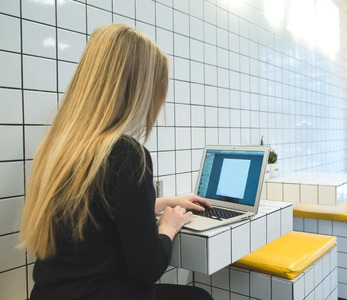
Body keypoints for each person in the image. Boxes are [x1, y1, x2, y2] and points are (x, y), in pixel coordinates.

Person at [19, 24, 213, 300]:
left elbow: (92, 216)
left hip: (49, 293)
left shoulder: (57, 148)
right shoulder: (125, 155)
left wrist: (161, 202)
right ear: (136, 88)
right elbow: (148, 267)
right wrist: (167, 227)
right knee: (199, 297)